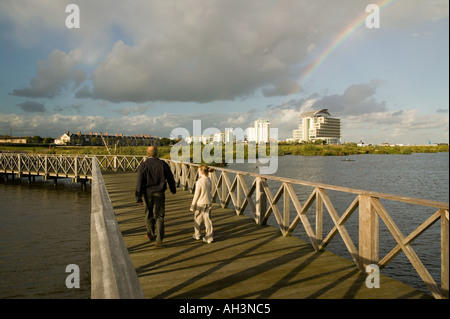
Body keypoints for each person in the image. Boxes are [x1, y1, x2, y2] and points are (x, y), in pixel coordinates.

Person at [136, 145, 176, 248]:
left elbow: (139, 182)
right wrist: (173, 189)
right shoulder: (163, 164)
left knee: (149, 214)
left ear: (147, 153)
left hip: (147, 193)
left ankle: (150, 234)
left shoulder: (143, 165)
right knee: (159, 216)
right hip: (159, 193)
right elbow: (170, 178)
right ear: (157, 152)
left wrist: (138, 197)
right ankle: (159, 239)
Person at [190, 165, 213, 243]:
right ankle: (209, 237)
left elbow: (196, 195)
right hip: (208, 202)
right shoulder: (209, 180)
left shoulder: (199, 182)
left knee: (198, 219)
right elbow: (210, 190)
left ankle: (197, 235)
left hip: (200, 204)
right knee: (208, 221)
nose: (198, 172)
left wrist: (193, 205)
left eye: (199, 171)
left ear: (202, 172)